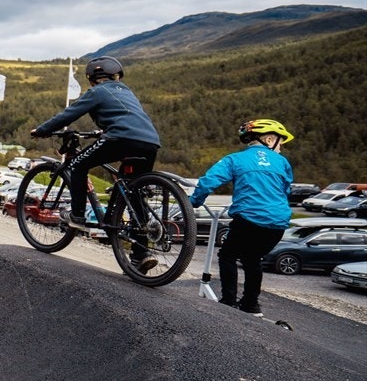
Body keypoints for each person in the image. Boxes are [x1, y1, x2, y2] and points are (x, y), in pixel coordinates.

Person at [29, 56, 161, 229]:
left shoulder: (98, 91)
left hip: (120, 138)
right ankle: (142, 253)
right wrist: (104, 131)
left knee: (77, 165)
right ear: (117, 76)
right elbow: (128, 117)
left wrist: (42, 130)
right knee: (132, 189)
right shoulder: (128, 92)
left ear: (92, 79)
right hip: (150, 142)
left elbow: (68, 115)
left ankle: (77, 216)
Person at [189, 119, 295, 319]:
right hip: (278, 223)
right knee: (253, 259)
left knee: (228, 255)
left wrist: (194, 201)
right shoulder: (283, 162)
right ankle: (251, 305)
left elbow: (209, 181)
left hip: (248, 219)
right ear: (270, 139)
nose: (281, 147)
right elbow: (285, 190)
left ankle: (228, 301)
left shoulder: (234, 159)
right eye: (281, 142)